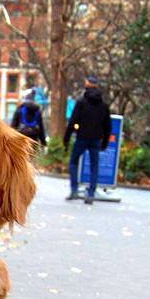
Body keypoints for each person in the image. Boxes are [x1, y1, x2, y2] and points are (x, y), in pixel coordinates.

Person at [63, 76, 111, 204]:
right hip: (96, 139)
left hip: (81, 137)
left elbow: (73, 121)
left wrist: (66, 139)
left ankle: (74, 189)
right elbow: (107, 125)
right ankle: (91, 193)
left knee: (73, 162)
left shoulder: (81, 102)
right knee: (94, 166)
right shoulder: (103, 105)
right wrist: (105, 142)